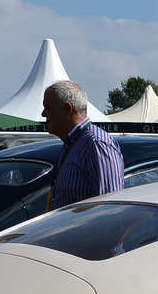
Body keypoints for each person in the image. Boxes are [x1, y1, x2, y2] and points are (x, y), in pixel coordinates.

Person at [43, 80, 123, 209]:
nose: (43, 114)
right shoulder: (72, 143)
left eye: (48, 108)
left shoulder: (97, 144)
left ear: (67, 108)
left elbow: (109, 208)